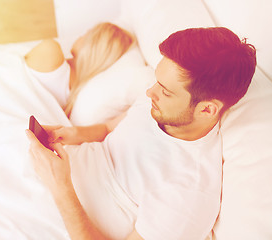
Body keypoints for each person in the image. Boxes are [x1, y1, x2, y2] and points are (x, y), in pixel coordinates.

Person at [26, 27, 256, 240]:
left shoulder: (188, 193)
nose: (149, 91)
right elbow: (108, 129)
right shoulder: (158, 107)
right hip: (45, 177)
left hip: (52, 216)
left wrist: (61, 187)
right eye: (157, 81)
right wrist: (72, 134)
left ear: (207, 109)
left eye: (165, 91)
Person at [24, 22, 134, 116]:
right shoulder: (73, 98)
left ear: (92, 45)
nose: (80, 36)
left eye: (86, 33)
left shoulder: (52, 51)